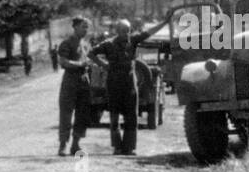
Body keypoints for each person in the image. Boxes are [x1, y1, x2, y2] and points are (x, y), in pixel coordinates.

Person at [89, 17, 167, 156]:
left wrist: (165, 21)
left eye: (128, 30)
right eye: (123, 31)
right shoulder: (108, 44)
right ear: (117, 31)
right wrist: (103, 65)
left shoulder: (133, 41)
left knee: (132, 117)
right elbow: (91, 53)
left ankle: (129, 147)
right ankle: (117, 147)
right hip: (114, 85)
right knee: (114, 118)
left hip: (130, 84)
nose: (126, 33)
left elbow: (149, 32)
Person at [56, 17, 93, 156]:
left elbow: (89, 60)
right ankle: (62, 145)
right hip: (70, 82)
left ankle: (75, 144)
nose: (85, 30)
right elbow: (63, 62)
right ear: (75, 27)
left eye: (87, 27)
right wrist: (80, 64)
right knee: (66, 113)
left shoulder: (85, 44)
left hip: (84, 82)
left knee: (82, 114)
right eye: (83, 26)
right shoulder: (66, 43)